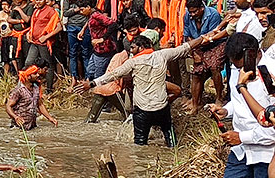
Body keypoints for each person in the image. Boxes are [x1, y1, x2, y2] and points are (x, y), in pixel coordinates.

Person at [81, 25, 228, 146]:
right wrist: (204, 38)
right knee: (171, 142)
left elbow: (113, 75)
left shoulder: (132, 62)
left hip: (142, 111)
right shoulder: (162, 55)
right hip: (161, 109)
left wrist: (92, 83)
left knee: (139, 145)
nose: (131, 51)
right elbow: (186, 47)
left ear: (140, 47)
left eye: (133, 48)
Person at [213, 32, 275, 178]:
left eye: (239, 62)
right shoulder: (237, 72)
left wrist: (242, 137)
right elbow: (238, 104)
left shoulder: (268, 79)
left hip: (264, 151)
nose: (237, 67)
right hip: (241, 151)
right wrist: (225, 111)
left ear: (252, 55)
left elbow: (271, 128)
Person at [184, 0, 224, 112]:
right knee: (196, 73)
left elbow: (212, 36)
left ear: (202, 8)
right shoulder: (187, 16)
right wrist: (194, 52)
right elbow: (187, 36)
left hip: (215, 44)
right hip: (197, 46)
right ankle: (196, 103)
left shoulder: (213, 15)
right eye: (190, 12)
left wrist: (197, 48)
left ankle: (219, 98)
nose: (192, 14)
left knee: (214, 67)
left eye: (194, 12)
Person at [4, 65, 57, 130]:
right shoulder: (19, 91)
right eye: (35, 74)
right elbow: (8, 106)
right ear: (28, 76)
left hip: (32, 126)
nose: (38, 75)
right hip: (19, 127)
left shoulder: (36, 89)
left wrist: (50, 118)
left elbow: (40, 105)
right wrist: (16, 117)